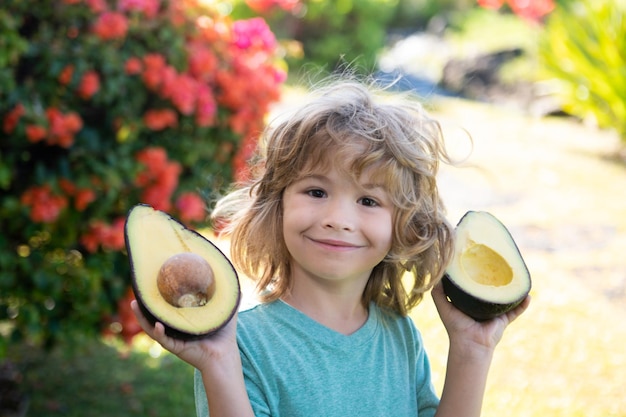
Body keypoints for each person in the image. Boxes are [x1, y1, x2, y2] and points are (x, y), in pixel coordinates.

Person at [131, 76, 530, 417]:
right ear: (278, 205)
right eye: (316, 191)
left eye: (369, 201)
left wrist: (472, 349)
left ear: (403, 227)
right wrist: (218, 363)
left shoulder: (399, 335)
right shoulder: (240, 344)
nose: (338, 218)